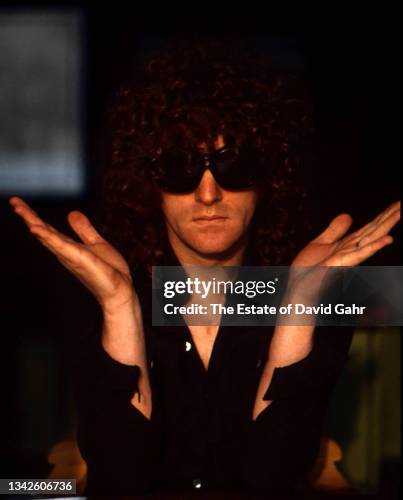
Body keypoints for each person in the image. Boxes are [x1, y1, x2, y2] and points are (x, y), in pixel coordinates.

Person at [9, 35, 400, 498]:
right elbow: (119, 481)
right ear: (149, 183)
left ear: (268, 178)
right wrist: (120, 308)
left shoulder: (316, 289)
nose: (208, 193)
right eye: (180, 167)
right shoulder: (96, 287)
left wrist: (299, 306)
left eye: (233, 166)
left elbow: (271, 480)